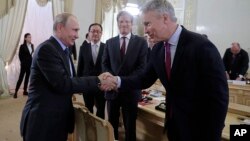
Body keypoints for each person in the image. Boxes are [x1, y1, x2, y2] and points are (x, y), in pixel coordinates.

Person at [101, 1, 229, 141]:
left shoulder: (201, 46)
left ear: (165, 18)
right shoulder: (158, 49)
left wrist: (213, 134)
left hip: (200, 129)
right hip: (174, 126)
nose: (145, 30)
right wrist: (116, 81)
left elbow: (219, 96)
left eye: (147, 24)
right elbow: (144, 78)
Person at [20, 13, 115, 141]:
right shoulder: (47, 49)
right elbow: (63, 84)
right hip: (43, 122)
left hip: (58, 120)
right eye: (75, 30)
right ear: (60, 28)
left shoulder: (64, 50)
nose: (77, 35)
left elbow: (72, 80)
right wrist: (97, 80)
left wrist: (98, 84)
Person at [102, 11, 148, 141]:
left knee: (130, 126)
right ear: (117, 23)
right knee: (111, 124)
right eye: (121, 21)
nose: (124, 24)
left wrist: (121, 82)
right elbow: (104, 64)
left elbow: (141, 68)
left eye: (127, 21)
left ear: (132, 24)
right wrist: (112, 82)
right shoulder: (109, 42)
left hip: (131, 91)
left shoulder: (141, 42)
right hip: (112, 90)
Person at [77, 23, 106, 119]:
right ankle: (89, 131)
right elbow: (80, 66)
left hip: (101, 84)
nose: (95, 33)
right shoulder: (83, 47)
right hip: (87, 83)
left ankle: (100, 131)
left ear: (101, 33)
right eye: (93, 31)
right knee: (88, 109)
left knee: (101, 109)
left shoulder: (106, 47)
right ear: (89, 33)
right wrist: (78, 84)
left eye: (98, 31)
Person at [13, 33, 34, 98]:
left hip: (30, 64)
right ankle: (16, 92)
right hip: (24, 65)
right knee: (21, 78)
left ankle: (25, 91)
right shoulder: (22, 46)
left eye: (30, 37)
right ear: (25, 38)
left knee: (27, 78)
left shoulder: (32, 45)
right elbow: (20, 55)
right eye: (28, 37)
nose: (30, 38)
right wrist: (23, 62)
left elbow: (31, 54)